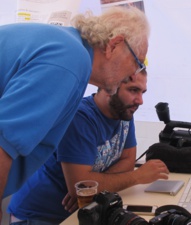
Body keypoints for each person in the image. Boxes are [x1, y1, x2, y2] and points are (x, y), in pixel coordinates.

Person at [0, 5, 150, 221]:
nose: (133, 73)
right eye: (137, 63)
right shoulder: (70, 61)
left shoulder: (71, 52)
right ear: (114, 45)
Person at [7, 71, 169, 225]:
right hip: (39, 215)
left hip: (79, 211)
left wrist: (93, 187)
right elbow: (81, 185)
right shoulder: (80, 117)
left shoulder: (124, 113)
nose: (140, 100)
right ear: (109, 86)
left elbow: (127, 160)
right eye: (133, 90)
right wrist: (137, 176)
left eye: (142, 92)